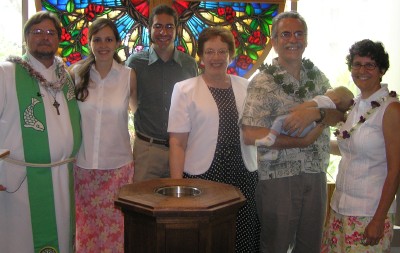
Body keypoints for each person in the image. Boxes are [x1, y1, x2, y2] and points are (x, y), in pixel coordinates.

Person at [241, 11, 344, 253]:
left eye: (299, 34)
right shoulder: (262, 81)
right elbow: (250, 134)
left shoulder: (316, 76)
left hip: (316, 173)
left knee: (310, 246)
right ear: (274, 41)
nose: (293, 40)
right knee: (275, 246)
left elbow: (339, 112)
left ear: (306, 40)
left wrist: (314, 114)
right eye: (285, 34)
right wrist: (301, 141)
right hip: (278, 178)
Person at [168, 27, 260, 253]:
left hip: (244, 175)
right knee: (206, 239)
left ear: (231, 54)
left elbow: (256, 131)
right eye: (210, 52)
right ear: (201, 56)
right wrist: (177, 187)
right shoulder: (184, 89)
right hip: (204, 176)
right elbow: (177, 143)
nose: (216, 57)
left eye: (222, 51)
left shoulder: (247, 87)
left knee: (243, 238)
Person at [0, 11, 81, 252]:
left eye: (50, 32)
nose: (44, 37)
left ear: (59, 39)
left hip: (62, 175)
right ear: (26, 38)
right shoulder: (7, 73)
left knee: (63, 239)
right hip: (21, 180)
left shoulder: (64, 75)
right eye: (37, 32)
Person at [321, 39, 400, 253]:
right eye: (357, 64)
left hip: (369, 212)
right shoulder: (355, 106)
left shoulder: (390, 110)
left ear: (382, 70)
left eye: (370, 65)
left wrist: (379, 218)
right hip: (339, 207)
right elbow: (350, 148)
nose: (362, 70)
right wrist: (317, 144)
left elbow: (395, 171)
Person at [69, 18, 136, 252]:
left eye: (109, 39)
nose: (103, 45)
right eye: (97, 39)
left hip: (118, 169)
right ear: (89, 42)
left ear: (117, 42)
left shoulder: (128, 76)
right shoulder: (76, 74)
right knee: (86, 233)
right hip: (84, 167)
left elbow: (137, 117)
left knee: (117, 235)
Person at [125, 4, 198, 182]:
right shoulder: (136, 63)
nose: (163, 32)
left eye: (169, 26)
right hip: (147, 150)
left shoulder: (189, 64)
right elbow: (130, 101)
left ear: (177, 29)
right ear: (149, 29)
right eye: (158, 26)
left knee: (178, 206)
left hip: (183, 148)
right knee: (141, 205)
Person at [256, 86, 354, 160]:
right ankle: (274, 152)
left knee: (279, 121)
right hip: (311, 129)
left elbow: (309, 105)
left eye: (331, 90)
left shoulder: (325, 99)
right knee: (284, 134)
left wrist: (297, 110)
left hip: (304, 125)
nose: (328, 90)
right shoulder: (333, 110)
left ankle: (270, 138)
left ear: (336, 99)